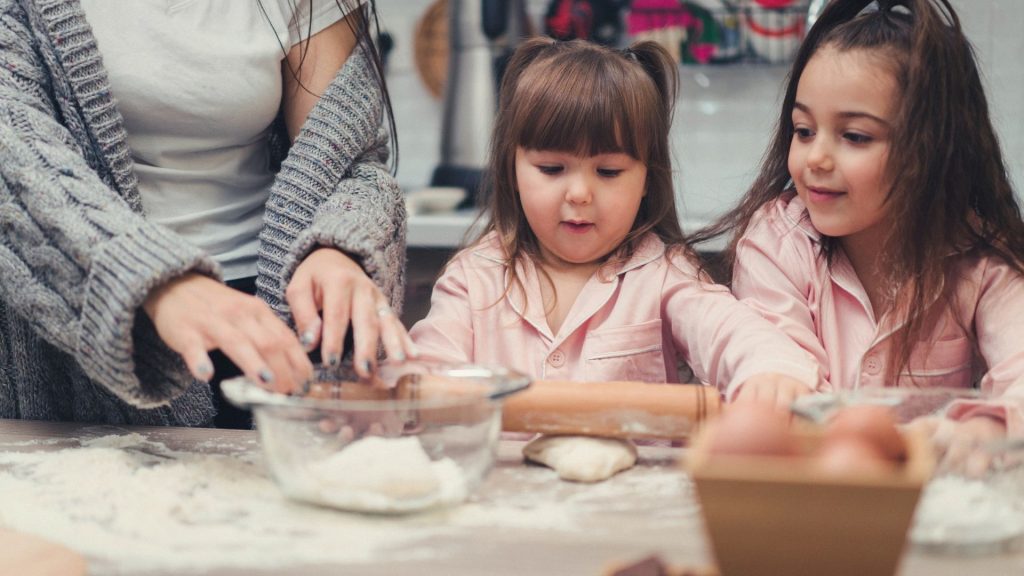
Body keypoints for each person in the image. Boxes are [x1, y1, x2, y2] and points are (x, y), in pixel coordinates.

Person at [0, 0, 415, 428]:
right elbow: (16, 157)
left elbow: (351, 162)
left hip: (271, 317)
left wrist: (339, 243)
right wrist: (150, 277)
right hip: (93, 329)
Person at [692, 0, 1024, 472]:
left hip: (931, 512)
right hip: (806, 499)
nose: (816, 159)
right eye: (803, 131)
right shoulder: (777, 243)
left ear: (935, 149)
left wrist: (990, 425)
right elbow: (783, 375)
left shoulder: (980, 262)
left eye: (855, 136)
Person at [409, 37, 821, 400]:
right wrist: (419, 384)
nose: (580, 193)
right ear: (512, 170)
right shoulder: (473, 279)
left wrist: (770, 371)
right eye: (552, 169)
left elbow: (730, 333)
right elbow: (425, 377)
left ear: (646, 178)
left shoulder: (665, 277)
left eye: (608, 172)